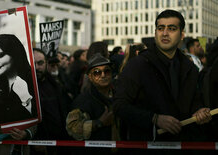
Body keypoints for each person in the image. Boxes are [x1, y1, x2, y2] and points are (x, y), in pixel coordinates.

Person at [113, 9, 211, 154]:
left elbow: (194, 101)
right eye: (161, 28)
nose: (165, 33)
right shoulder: (138, 65)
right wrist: (154, 119)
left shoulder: (190, 67)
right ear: (155, 33)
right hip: (146, 146)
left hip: (182, 144)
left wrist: (199, 111)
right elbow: (119, 105)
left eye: (172, 28)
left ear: (182, 35)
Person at [66, 53, 119, 154]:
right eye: (97, 72)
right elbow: (73, 128)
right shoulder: (82, 100)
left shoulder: (120, 96)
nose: (103, 75)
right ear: (90, 76)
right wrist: (99, 123)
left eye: (107, 71)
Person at [0, 34, 37, 125]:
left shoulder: (35, 82)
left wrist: (25, 97)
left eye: (0, 55)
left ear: (14, 54)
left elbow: (43, 119)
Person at [32, 48, 71, 155]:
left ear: (46, 63)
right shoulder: (23, 89)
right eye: (32, 63)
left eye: (40, 63)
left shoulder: (56, 85)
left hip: (58, 145)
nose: (36, 67)